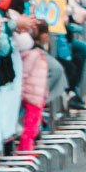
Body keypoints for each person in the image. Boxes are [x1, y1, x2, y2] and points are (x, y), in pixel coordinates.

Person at [17, 20, 51, 153]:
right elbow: (25, 74)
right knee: (30, 125)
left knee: (33, 124)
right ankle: (25, 149)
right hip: (32, 94)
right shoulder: (33, 55)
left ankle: (27, 148)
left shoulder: (37, 54)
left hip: (37, 94)